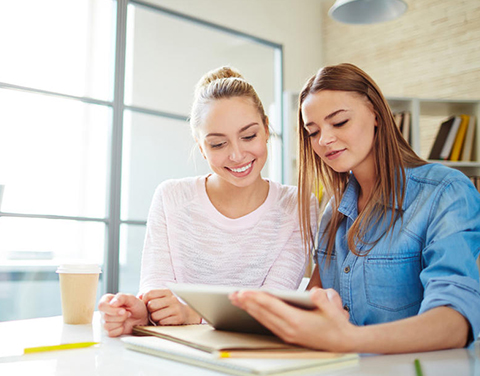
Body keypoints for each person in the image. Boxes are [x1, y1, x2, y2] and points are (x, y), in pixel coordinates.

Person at [230, 63, 480, 353]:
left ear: (375, 113)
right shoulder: (333, 213)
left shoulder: (445, 192)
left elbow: (456, 321)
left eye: (339, 122)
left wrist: (345, 339)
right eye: (313, 132)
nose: (324, 140)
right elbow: (314, 304)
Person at [99, 66, 317, 337]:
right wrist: (140, 313)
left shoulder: (297, 205)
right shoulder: (171, 198)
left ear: (266, 128)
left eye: (248, 136)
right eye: (217, 144)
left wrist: (195, 314)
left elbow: (272, 309)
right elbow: (156, 297)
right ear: (200, 146)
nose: (237, 155)